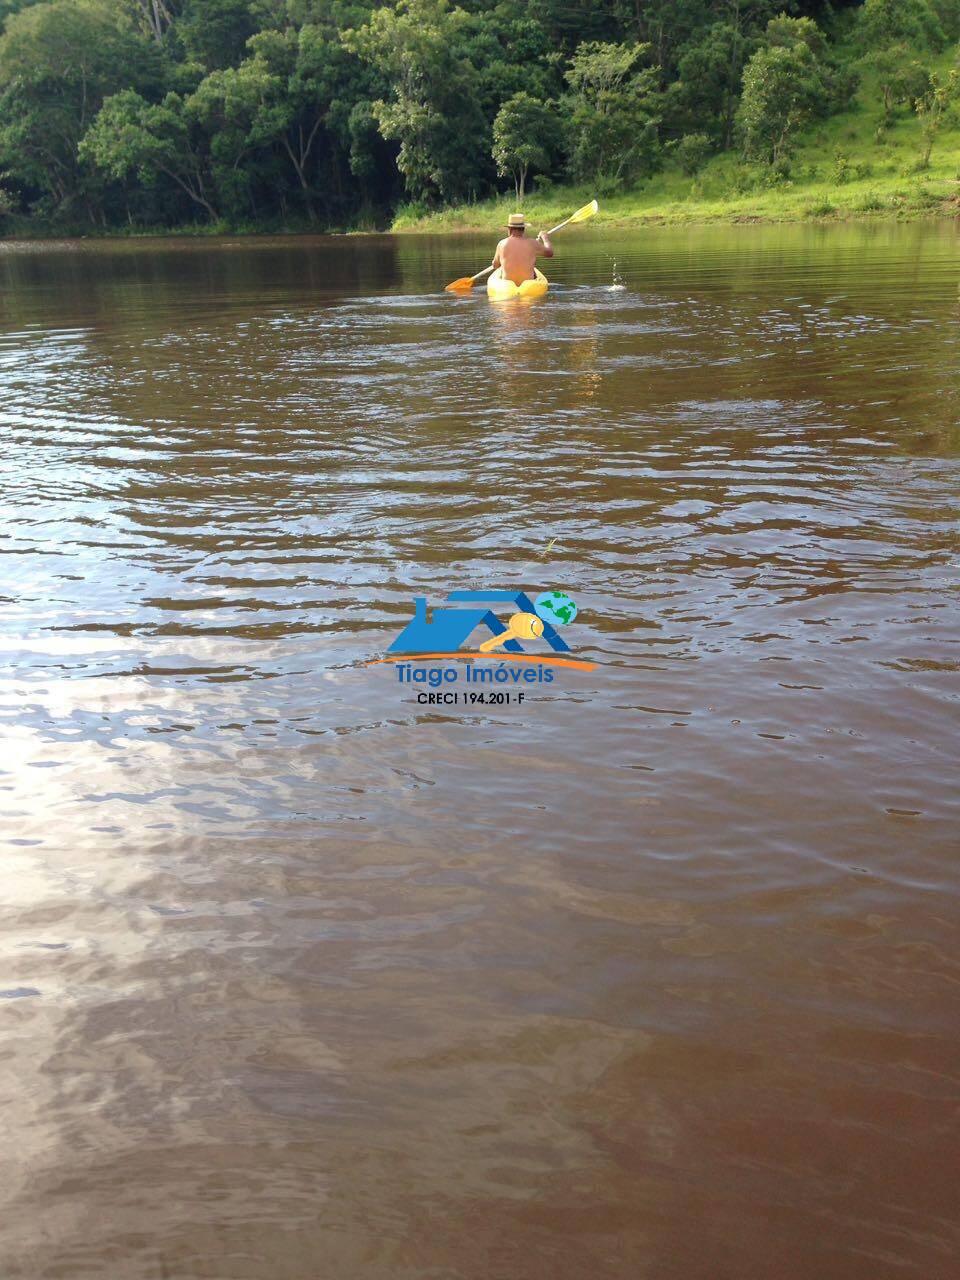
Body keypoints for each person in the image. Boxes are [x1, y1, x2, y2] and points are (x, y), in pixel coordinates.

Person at [491, 213, 553, 286]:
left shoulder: (501, 244)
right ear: (523, 229)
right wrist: (545, 238)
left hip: (508, 288)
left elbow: (496, 265)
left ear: (509, 229)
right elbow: (550, 253)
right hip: (528, 287)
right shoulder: (532, 243)